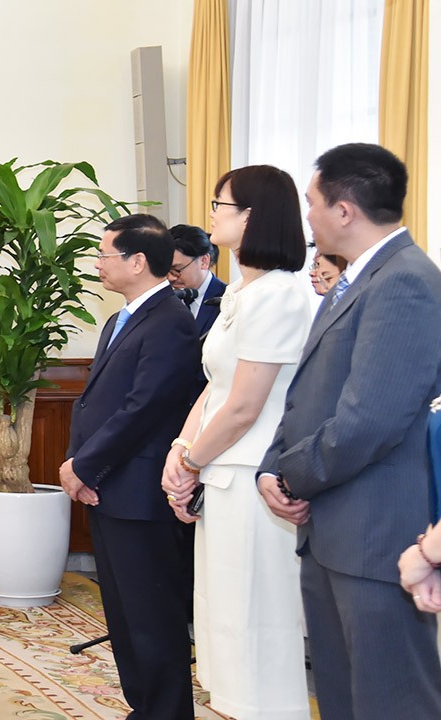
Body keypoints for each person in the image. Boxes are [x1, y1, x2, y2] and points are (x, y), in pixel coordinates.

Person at [258, 143, 441, 719]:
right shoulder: (355, 280)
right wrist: (271, 464)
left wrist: (292, 476)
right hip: (334, 527)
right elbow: (309, 392)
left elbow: (371, 420)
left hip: (376, 533)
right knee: (340, 697)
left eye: (312, 202)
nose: (305, 215)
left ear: (344, 211)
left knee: (390, 701)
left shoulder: (406, 281)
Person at [161, 165, 311, 719]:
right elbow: (216, 386)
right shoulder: (242, 294)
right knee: (223, 623)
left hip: (252, 479)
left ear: (251, 217)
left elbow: (247, 405)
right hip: (220, 472)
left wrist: (193, 460)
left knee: (255, 627)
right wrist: (181, 451)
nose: (212, 213)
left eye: (220, 204)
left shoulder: (278, 296)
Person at [59, 214, 201, 720]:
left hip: (141, 494)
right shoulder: (121, 319)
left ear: (138, 261)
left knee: (151, 619)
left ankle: (166, 712)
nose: (98, 264)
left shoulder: (169, 323)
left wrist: (86, 465)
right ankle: (143, 709)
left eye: (105, 255)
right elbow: (98, 402)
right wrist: (82, 466)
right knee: (122, 617)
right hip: (109, 486)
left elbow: (146, 408)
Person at [167, 223, 225, 336]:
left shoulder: (227, 300)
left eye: (176, 269)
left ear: (204, 261)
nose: (170, 277)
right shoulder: (166, 300)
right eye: (166, 270)